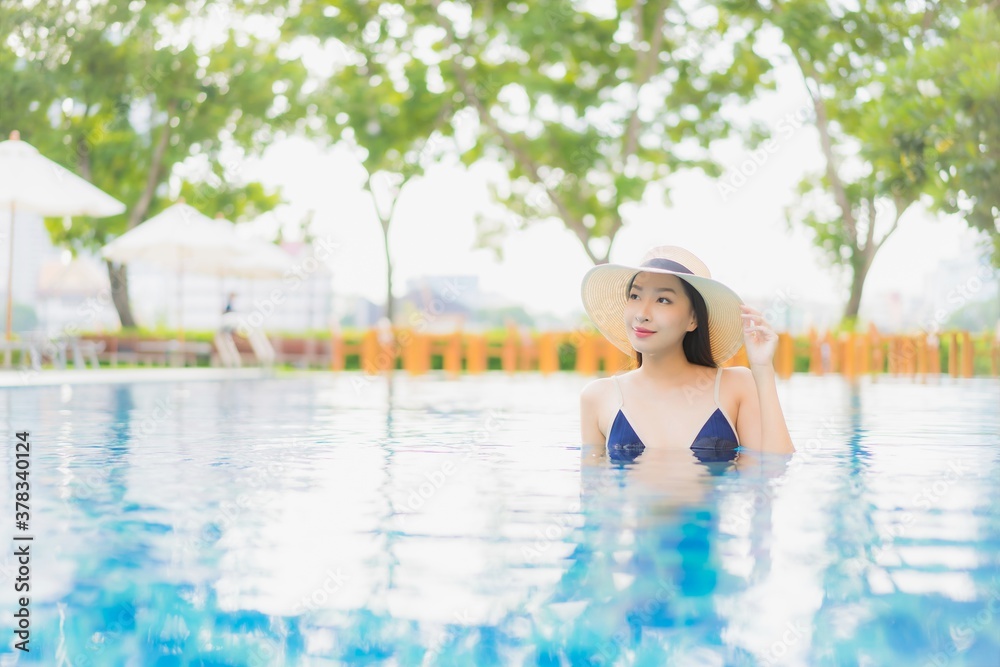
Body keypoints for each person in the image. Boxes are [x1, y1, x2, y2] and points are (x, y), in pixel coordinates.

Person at [579, 245, 795, 465]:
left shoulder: (735, 385)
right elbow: (594, 492)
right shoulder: (598, 397)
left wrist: (762, 368)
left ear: (693, 319)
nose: (642, 314)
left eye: (663, 300)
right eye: (635, 296)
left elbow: (773, 471)